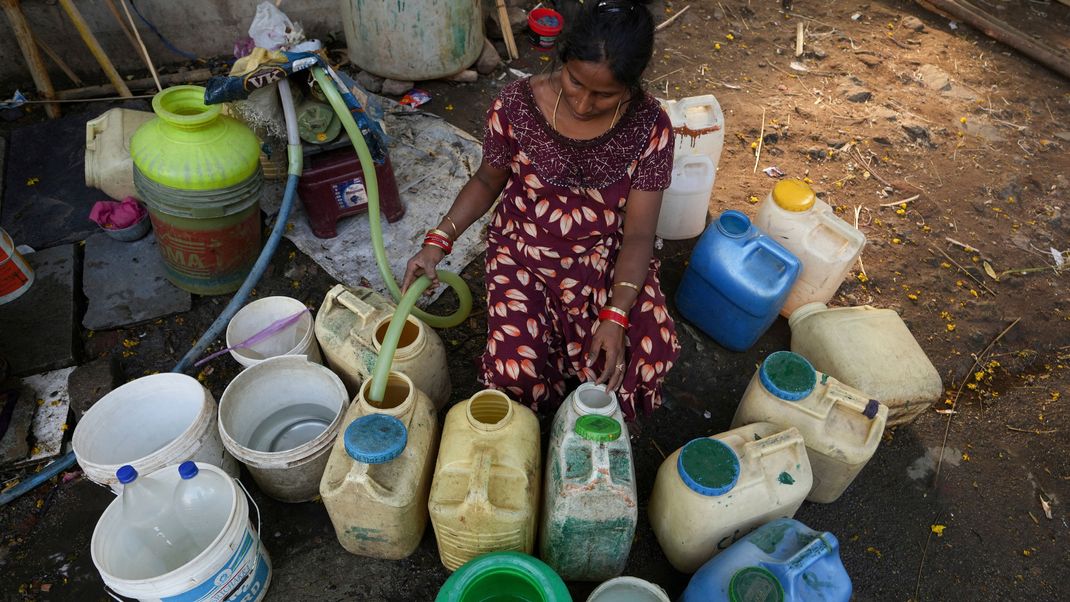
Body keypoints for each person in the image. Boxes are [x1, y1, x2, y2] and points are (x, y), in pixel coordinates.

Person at [402, 0, 680, 421]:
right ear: (563, 57)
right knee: (519, 374)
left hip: (603, 258)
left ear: (633, 84)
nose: (584, 104)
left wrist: (616, 313)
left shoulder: (651, 127)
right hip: (523, 253)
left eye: (605, 94)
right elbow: (485, 181)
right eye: (575, 82)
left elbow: (639, 235)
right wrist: (437, 243)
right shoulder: (515, 105)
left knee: (643, 355)